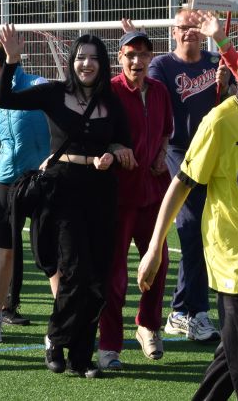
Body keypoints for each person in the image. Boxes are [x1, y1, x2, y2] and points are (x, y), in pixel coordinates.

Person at [0, 24, 133, 378]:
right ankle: (55, 339)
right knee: (74, 272)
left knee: (98, 278)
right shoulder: (53, 93)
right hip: (63, 191)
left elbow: (123, 143)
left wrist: (113, 155)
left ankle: (82, 355)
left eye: (93, 59)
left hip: (101, 192)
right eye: (81, 58)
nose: (86, 64)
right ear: (72, 61)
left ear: (103, 64)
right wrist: (12, 61)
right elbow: (4, 99)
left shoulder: (110, 103)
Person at [138, 40, 238, 401]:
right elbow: (180, 186)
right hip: (234, 262)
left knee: (231, 356)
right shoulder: (219, 122)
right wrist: (155, 247)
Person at [148, 8, 231, 342]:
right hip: (179, 152)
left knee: (210, 229)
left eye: (195, 28)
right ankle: (187, 311)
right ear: (173, 31)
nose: (190, 33)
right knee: (190, 226)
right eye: (184, 28)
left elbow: (231, 98)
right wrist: (155, 150)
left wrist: (225, 84)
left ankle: (187, 309)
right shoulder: (163, 66)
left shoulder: (215, 63)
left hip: (215, 153)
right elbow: (152, 106)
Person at [97, 25, 173, 370]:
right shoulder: (108, 91)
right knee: (115, 275)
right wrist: (114, 147)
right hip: (117, 196)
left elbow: (166, 130)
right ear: (120, 58)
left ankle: (148, 325)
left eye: (143, 54)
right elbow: (97, 135)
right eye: (131, 54)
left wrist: (159, 154)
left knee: (159, 262)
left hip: (153, 192)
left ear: (150, 58)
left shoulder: (158, 91)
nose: (137, 60)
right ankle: (110, 345)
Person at [0, 40, 49, 341]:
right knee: (4, 252)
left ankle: (61, 322)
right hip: (5, 184)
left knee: (49, 253)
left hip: (41, 181)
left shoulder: (38, 85)